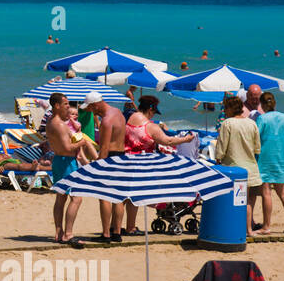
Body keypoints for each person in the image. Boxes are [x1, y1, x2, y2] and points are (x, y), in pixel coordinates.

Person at [120, 95, 196, 234]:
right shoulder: (150, 126)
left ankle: (116, 228)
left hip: (125, 160)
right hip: (140, 164)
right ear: (150, 109)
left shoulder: (128, 119)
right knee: (133, 197)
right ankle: (130, 227)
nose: (153, 114)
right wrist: (186, 139)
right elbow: (168, 141)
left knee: (123, 197)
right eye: (154, 112)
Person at [64, 90, 128, 242]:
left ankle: (106, 234)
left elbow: (104, 149)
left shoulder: (106, 121)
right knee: (118, 197)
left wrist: (96, 165)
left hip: (110, 157)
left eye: (91, 108)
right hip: (122, 155)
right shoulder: (118, 112)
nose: (91, 111)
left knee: (104, 196)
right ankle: (117, 233)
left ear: (96, 105)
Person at [214, 95, 264, 235]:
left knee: (232, 201)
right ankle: (248, 229)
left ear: (230, 108)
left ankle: (231, 228)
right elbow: (257, 148)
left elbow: (221, 148)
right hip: (250, 168)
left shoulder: (227, 123)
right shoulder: (252, 123)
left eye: (225, 108)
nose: (224, 111)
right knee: (246, 201)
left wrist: (218, 159)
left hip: (232, 169)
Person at [45, 93, 90, 244]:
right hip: (66, 161)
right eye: (65, 104)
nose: (68, 107)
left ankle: (59, 232)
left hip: (59, 160)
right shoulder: (59, 124)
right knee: (76, 198)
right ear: (57, 106)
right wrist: (82, 142)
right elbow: (67, 147)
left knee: (61, 197)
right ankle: (68, 234)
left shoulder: (51, 121)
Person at [254, 91, 284, 232]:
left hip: (265, 159)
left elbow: (256, 137)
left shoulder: (262, 119)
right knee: (282, 193)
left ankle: (266, 226)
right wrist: (282, 147)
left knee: (266, 193)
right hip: (280, 158)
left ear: (262, 104)